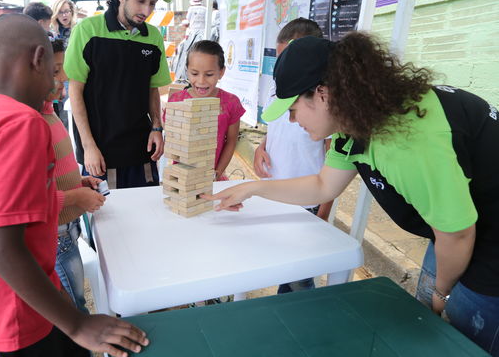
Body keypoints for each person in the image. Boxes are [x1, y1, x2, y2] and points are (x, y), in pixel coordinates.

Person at [203, 33, 499, 355]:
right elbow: (322, 185)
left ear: (323, 93)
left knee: (462, 342)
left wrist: (442, 295)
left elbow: (456, 236)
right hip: (456, 228)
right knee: (430, 325)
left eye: (293, 108)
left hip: (484, 238)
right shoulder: (356, 121)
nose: (291, 120)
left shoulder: (405, 141)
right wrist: (253, 188)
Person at [0, 13, 149, 357]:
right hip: (18, 316)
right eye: (55, 71)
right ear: (38, 60)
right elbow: (0, 248)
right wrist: (77, 324)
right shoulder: (22, 123)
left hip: (11, 305)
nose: (60, 80)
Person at [65, 0, 172, 189]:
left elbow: (153, 87)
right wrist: (88, 146)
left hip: (141, 148)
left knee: (146, 213)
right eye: (140, 1)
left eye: (152, 3)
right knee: (106, 218)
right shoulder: (87, 30)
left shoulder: (153, 37)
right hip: (100, 151)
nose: (146, 10)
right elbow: (75, 90)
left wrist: (156, 127)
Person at [254, 18, 333, 294]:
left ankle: (305, 317)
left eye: (287, 58)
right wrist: (261, 147)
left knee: (299, 273)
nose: (281, 69)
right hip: (276, 190)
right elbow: (274, 127)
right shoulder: (279, 87)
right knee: (284, 263)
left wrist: (322, 212)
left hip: (305, 200)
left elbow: (334, 164)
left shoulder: (325, 109)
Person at [43, 37, 105, 314]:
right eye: (55, 70)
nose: (65, 77)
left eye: (63, 69)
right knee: (72, 305)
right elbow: (32, 200)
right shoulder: (31, 125)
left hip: (68, 227)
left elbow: (52, 173)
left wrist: (78, 183)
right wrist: (76, 196)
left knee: (75, 295)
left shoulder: (50, 113)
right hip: (55, 236)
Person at [166, 40, 245, 180]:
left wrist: (217, 173)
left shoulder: (231, 102)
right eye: (194, 74)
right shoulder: (176, 101)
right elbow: (171, 140)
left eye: (209, 74)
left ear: (221, 72)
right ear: (187, 71)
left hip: (213, 178)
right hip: (182, 179)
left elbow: (231, 141)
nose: (201, 81)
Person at [50, 0, 77, 129]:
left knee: (73, 112)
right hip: (59, 77)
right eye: (60, 12)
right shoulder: (53, 32)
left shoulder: (78, 29)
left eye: (66, 11)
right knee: (61, 112)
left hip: (76, 76)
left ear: (72, 12)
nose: (64, 15)